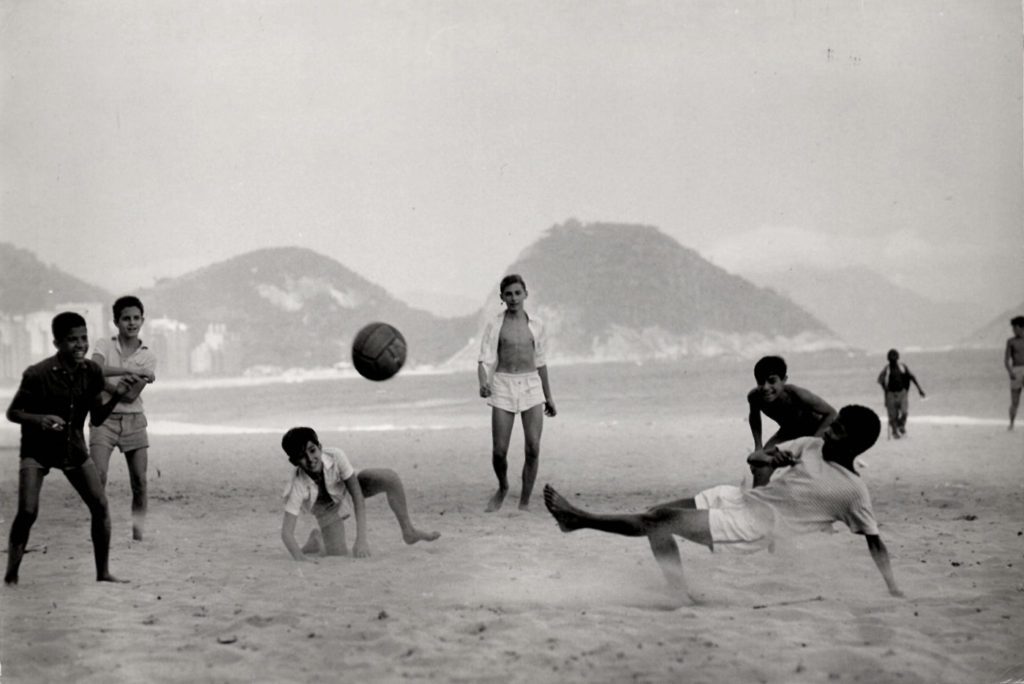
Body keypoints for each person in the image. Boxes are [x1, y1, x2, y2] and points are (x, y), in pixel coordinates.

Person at [543, 405, 903, 603]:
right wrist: (769, 459)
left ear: (857, 445)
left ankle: (579, 520)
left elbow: (875, 541)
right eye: (833, 424)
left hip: (754, 527)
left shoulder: (853, 491)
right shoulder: (811, 445)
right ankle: (677, 591)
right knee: (657, 515)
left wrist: (891, 586)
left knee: (660, 521)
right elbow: (759, 458)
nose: (830, 432)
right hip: (740, 497)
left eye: (839, 431)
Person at [5, 312, 141, 585]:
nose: (80, 345)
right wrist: (41, 419)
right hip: (37, 448)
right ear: (56, 343)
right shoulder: (37, 374)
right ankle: (11, 573)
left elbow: (99, 418)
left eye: (84, 338)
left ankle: (102, 573)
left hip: (73, 448)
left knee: (100, 505)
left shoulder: (91, 372)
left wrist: (115, 395)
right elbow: (13, 413)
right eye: (72, 340)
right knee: (28, 511)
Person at [279, 427, 439, 561]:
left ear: (320, 447)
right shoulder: (297, 485)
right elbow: (287, 533)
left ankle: (409, 531)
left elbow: (357, 496)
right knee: (338, 553)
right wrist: (300, 559)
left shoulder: (336, 455)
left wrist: (361, 539)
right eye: (302, 456)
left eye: (312, 450)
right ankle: (317, 540)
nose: (310, 458)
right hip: (326, 508)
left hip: (346, 487)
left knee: (390, 478)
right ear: (294, 461)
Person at [477, 274, 557, 512]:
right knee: (499, 451)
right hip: (503, 384)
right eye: (508, 294)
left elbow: (540, 362)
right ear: (502, 297)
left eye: (517, 293)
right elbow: (484, 360)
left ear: (525, 294)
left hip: (531, 385)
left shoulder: (537, 325)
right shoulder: (495, 324)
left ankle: (524, 502)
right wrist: (483, 382)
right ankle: (503, 487)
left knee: (533, 446)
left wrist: (548, 395)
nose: (513, 298)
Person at [89, 295, 157, 541]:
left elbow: (130, 396)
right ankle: (100, 529)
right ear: (116, 322)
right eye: (126, 318)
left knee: (139, 482)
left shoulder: (147, 356)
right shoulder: (104, 345)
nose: (131, 323)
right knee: (99, 478)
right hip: (103, 420)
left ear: (142, 320)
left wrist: (107, 383)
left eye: (136, 318)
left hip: (134, 421)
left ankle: (138, 535)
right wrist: (129, 372)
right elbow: (92, 371)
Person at [746, 355, 837, 487]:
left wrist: (813, 442)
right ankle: (759, 497)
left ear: (784, 380)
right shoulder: (755, 397)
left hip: (815, 429)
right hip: (788, 431)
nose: (765, 387)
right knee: (759, 463)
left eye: (772, 381)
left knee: (810, 465)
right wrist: (758, 446)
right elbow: (754, 419)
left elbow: (831, 413)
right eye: (761, 382)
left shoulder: (797, 394)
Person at [876, 349, 925, 439]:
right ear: (888, 359)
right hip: (890, 394)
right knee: (893, 415)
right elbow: (880, 380)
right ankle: (895, 432)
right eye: (891, 357)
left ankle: (901, 425)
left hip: (902, 393)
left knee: (904, 412)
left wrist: (919, 390)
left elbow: (912, 377)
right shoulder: (887, 369)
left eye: (894, 357)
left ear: (898, 358)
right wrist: (885, 389)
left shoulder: (902, 367)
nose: (893, 359)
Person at [1005, 316, 1024, 431]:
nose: (1013, 330)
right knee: (1015, 401)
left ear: (1021, 327)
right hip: (1016, 370)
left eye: (1015, 327)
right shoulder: (1011, 341)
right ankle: (1011, 423)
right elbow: (1006, 360)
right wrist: (1010, 372)